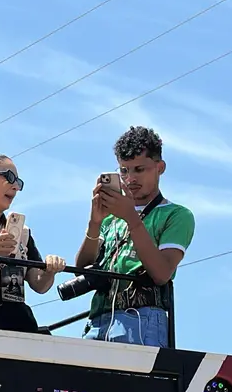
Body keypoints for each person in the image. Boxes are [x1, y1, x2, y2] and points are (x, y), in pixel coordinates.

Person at [74, 126, 194, 348]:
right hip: (98, 321)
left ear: (160, 167)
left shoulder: (176, 215)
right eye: (123, 171)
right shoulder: (111, 219)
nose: (130, 179)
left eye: (139, 169)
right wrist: (95, 222)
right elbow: (82, 266)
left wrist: (132, 219)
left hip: (142, 318)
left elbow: (161, 273)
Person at [0, 154, 66, 333]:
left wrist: (50, 271)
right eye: (9, 177)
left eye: (19, 182)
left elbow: (39, 284)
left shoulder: (23, 232)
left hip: (19, 324)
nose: (15, 187)